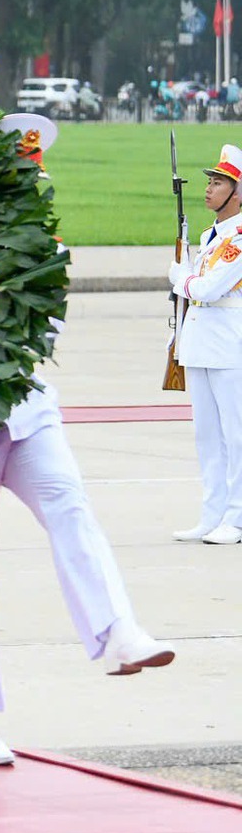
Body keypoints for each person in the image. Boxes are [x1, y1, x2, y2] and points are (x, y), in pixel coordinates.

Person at [0, 116, 175, 766]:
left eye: (39, 176)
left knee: (71, 506)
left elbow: (45, 332)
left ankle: (118, 630)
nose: (36, 185)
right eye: (22, 176)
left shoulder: (49, 248)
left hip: (28, 412)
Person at [171, 143, 242, 544]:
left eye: (219, 183)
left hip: (231, 344)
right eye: (211, 181)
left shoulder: (239, 238)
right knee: (207, 435)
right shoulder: (208, 235)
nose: (209, 189)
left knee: (236, 434)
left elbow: (211, 288)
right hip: (201, 342)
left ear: (238, 193)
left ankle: (237, 516)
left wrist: (178, 278)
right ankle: (213, 512)